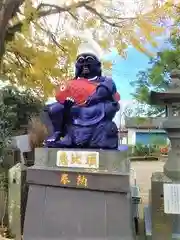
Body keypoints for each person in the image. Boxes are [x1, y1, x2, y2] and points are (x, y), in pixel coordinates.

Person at [44, 41, 120, 149]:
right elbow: (62, 96)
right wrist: (68, 104)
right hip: (75, 110)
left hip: (96, 109)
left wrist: (93, 98)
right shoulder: (70, 83)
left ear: (98, 65)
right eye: (81, 61)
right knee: (55, 109)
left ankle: (98, 137)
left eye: (89, 60)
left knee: (108, 107)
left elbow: (107, 89)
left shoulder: (105, 80)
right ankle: (58, 133)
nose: (84, 64)